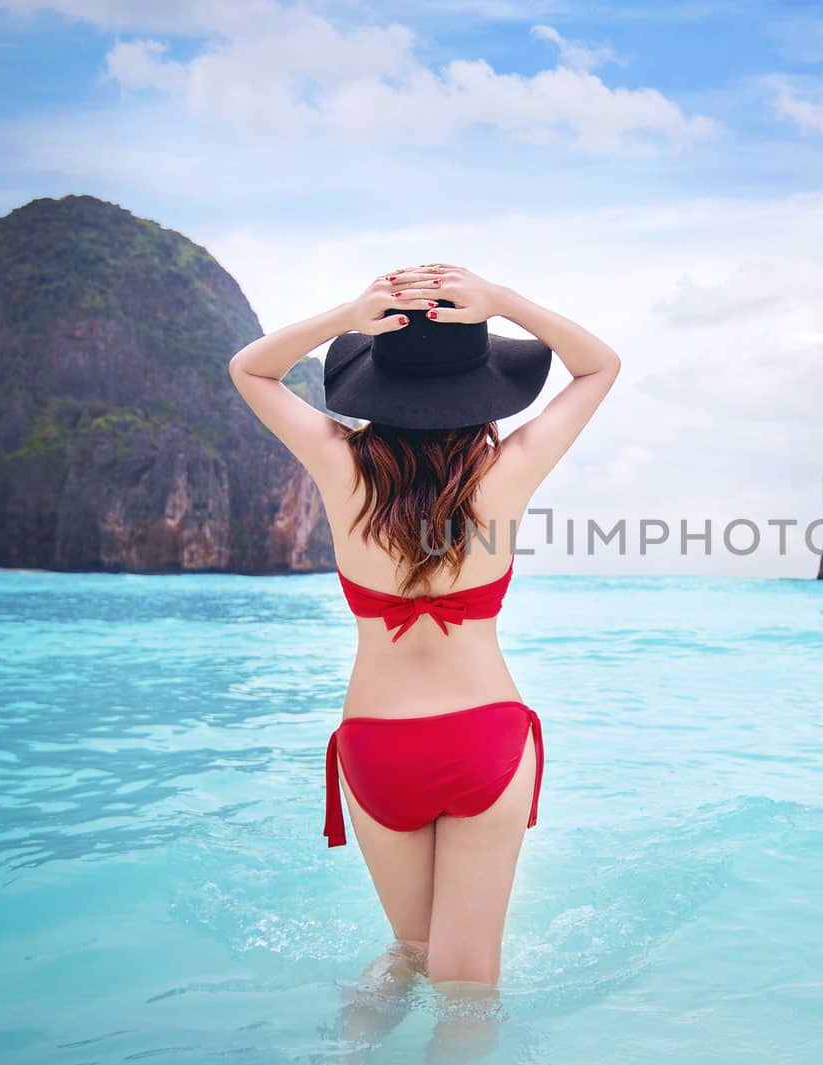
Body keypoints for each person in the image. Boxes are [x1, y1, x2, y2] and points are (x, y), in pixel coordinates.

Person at [228, 263, 620, 1010]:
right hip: (485, 736)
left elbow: (250, 369)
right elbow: (600, 364)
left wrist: (345, 314)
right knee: (467, 987)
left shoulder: (340, 467)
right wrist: (504, 301)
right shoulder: (507, 473)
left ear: (376, 382)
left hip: (377, 744)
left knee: (407, 957)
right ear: (482, 391)